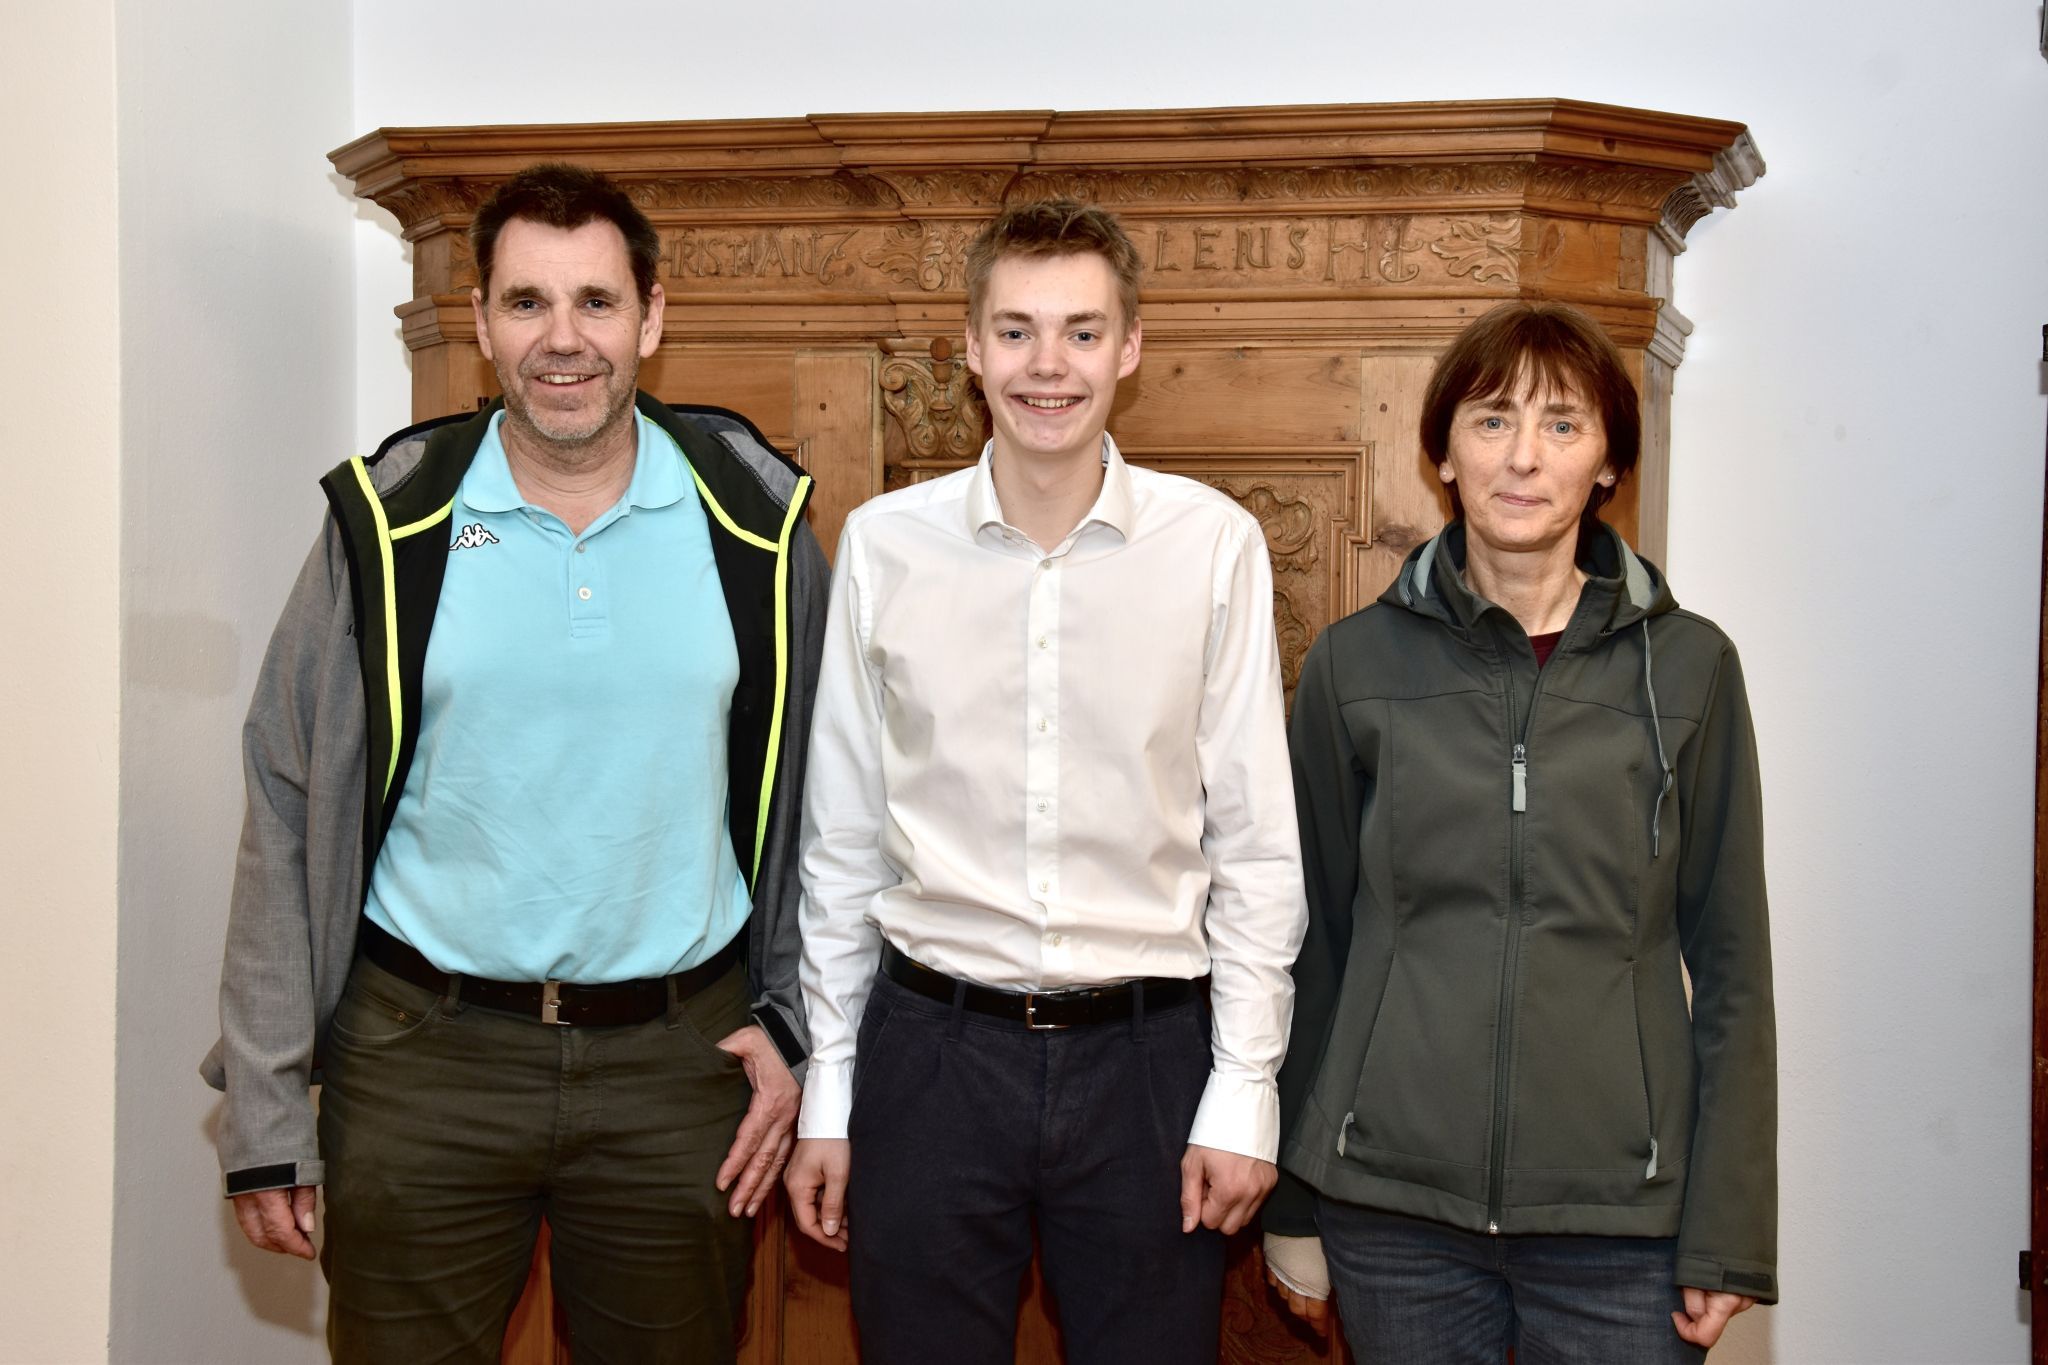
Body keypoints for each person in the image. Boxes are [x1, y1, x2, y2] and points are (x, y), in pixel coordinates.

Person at [199, 162, 829, 1364]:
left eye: (596, 301)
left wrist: (796, 1027)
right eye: (526, 302)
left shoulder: (757, 527)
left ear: (650, 317)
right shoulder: (387, 527)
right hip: (421, 1065)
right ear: (482, 323)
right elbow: (285, 801)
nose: (562, 339)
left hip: (676, 1070)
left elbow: (823, 809)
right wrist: (267, 1104)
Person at [783, 199, 1306, 1364]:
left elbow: (1256, 846)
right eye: (1015, 331)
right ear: (971, 348)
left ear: (1129, 347)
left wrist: (1244, 1087)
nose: (1046, 365)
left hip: (1147, 1061)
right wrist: (830, 1092)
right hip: (930, 1054)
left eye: (1080, 331)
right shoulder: (882, 544)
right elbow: (841, 843)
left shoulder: (1211, 544)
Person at [1261, 300, 1777, 1361]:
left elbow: (1733, 967)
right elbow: (1311, 944)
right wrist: (1293, 1201)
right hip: (1392, 1215)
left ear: (1607, 463)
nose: (1523, 457)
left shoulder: (1690, 667)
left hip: (1623, 1228)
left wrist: (1725, 1233)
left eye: (1561, 424)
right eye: (1492, 420)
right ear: (1444, 454)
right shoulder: (1355, 665)